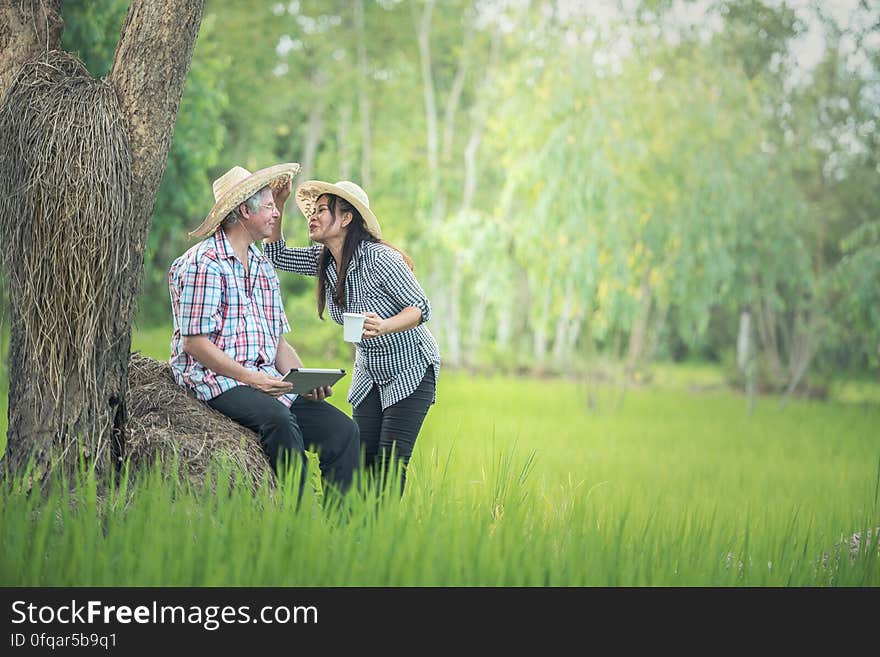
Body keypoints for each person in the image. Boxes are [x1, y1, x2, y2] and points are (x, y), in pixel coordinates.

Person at [168, 163, 360, 497]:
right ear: (245, 210)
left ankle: (339, 534)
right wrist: (251, 378)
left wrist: (303, 379)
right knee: (280, 422)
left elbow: (277, 341)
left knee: (343, 431)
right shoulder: (205, 263)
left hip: (263, 379)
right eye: (270, 206)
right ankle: (295, 523)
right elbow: (194, 343)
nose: (276, 214)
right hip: (217, 380)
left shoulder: (261, 266)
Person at [264, 179, 440, 494]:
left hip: (410, 369)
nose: (312, 218)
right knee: (359, 462)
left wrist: (384, 325)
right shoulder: (325, 262)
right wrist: (279, 202)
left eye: (321, 211)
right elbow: (276, 256)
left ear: (346, 219)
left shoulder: (379, 259)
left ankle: (381, 538)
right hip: (370, 371)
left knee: (388, 468)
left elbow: (421, 308)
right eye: (311, 211)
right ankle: (356, 536)